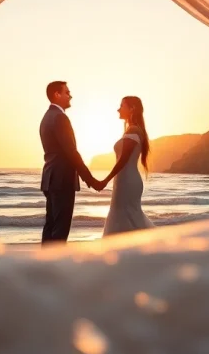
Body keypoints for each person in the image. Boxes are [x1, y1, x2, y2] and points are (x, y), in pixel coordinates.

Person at [39, 81, 99, 244]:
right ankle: (55, 266)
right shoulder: (59, 117)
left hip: (50, 178)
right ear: (57, 95)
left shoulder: (47, 117)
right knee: (60, 228)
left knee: (50, 226)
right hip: (62, 179)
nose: (70, 95)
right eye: (67, 92)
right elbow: (71, 152)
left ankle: (45, 264)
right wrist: (91, 180)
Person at [99, 96, 155, 236]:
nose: (118, 109)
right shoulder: (132, 130)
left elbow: (123, 160)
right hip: (125, 180)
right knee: (127, 217)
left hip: (127, 181)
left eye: (122, 106)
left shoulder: (133, 130)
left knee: (126, 216)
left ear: (132, 109)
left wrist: (105, 180)